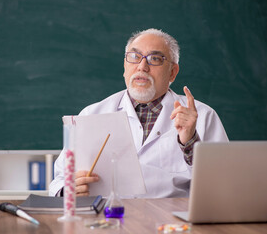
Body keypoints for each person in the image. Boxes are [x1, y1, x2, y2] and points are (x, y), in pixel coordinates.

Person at [49, 28, 228, 198]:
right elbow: (59, 179)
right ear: (125, 66)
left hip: (171, 224)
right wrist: (68, 190)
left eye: (155, 59)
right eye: (134, 57)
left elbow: (224, 185)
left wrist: (189, 141)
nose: (142, 66)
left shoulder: (203, 116)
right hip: (106, 221)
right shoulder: (91, 114)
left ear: (172, 72)